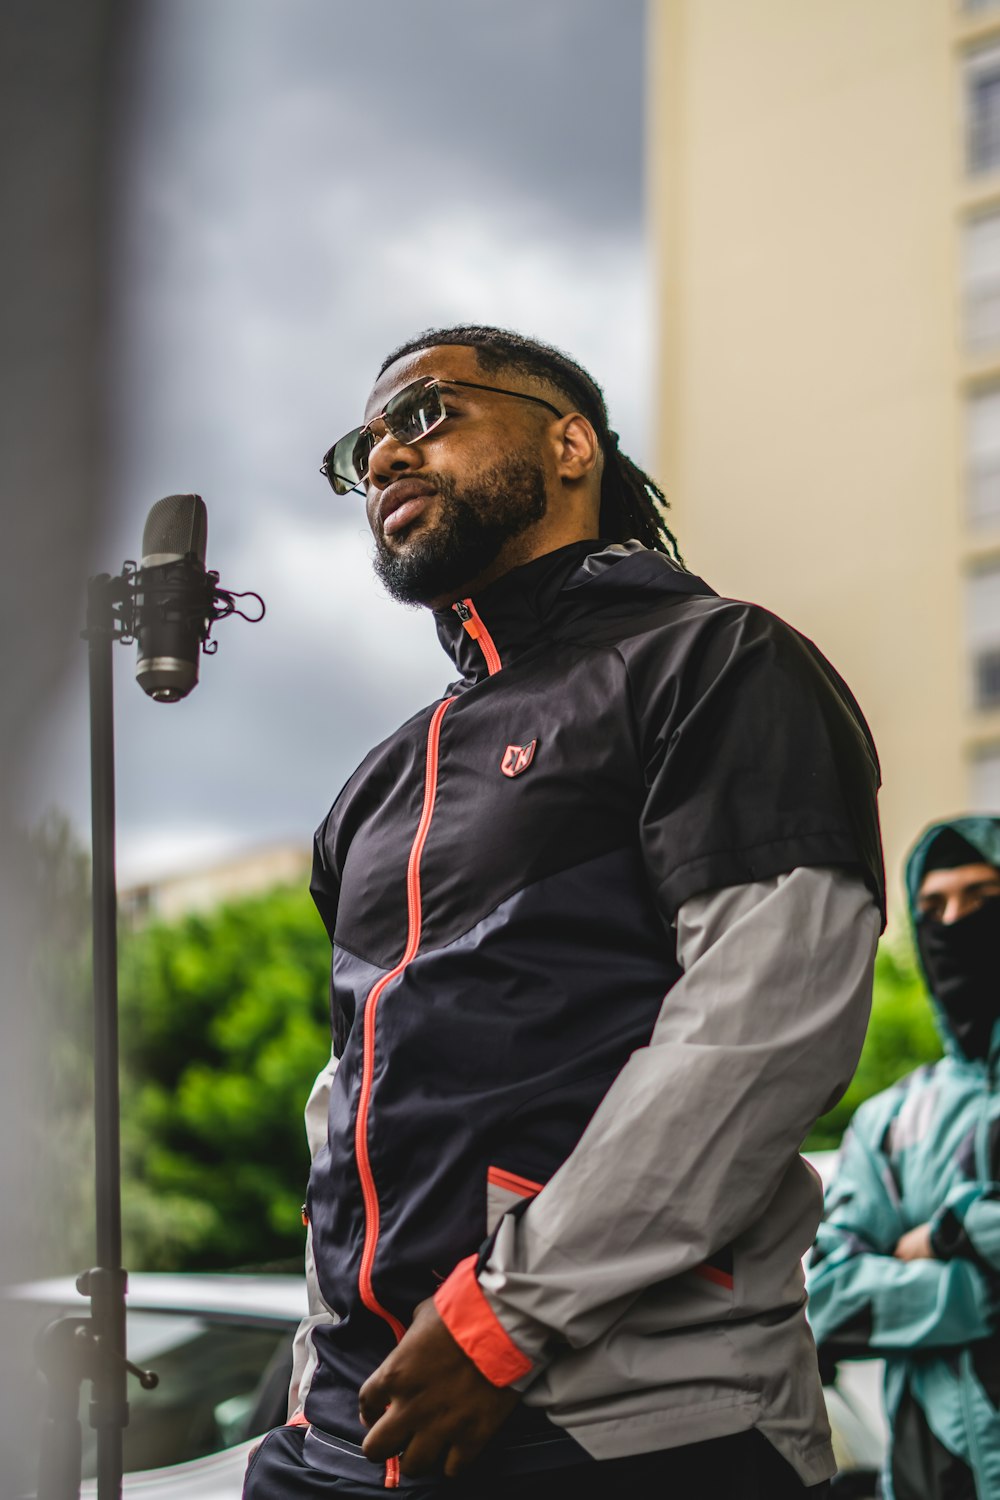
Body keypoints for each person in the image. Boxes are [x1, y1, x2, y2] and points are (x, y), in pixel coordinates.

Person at [243, 325, 885, 1499]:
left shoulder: (717, 660)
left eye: (425, 413)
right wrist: (310, 1371)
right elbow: (348, 1097)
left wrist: (503, 1321)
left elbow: (765, 1019)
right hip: (342, 1431)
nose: (383, 455)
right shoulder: (382, 780)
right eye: (364, 445)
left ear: (569, 443)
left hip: (632, 1426)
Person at [807, 817, 1000, 1500]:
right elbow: (828, 1300)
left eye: (982, 896)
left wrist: (941, 1237)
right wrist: (978, 1291)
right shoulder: (891, 1122)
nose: (957, 922)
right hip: (931, 1478)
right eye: (934, 907)